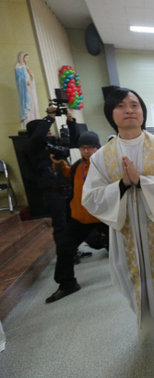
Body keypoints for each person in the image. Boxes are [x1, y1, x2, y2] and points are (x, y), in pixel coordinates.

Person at [82, 87, 154, 373]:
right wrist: (121, 185)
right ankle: (152, 331)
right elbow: (90, 198)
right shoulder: (101, 157)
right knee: (139, 285)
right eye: (120, 105)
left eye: (135, 104)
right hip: (127, 231)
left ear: (142, 112)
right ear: (111, 115)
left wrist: (142, 181)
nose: (129, 109)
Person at [46, 131, 109, 303]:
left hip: (104, 216)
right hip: (80, 217)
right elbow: (68, 176)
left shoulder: (107, 165)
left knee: (124, 247)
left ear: (98, 148)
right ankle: (67, 284)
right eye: (83, 148)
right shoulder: (77, 166)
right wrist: (59, 164)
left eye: (91, 147)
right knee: (65, 247)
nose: (87, 151)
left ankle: (136, 276)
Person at [24, 108, 80, 247]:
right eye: (45, 127)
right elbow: (37, 137)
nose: (49, 129)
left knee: (72, 222)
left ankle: (72, 251)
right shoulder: (32, 148)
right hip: (52, 192)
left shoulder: (53, 143)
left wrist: (70, 121)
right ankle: (64, 254)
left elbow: (73, 142)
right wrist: (49, 118)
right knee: (60, 225)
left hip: (67, 188)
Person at [15, 52, 40, 129]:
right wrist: (26, 81)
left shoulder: (26, 67)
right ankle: (27, 125)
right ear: (21, 58)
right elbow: (19, 78)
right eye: (26, 58)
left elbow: (30, 79)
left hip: (30, 89)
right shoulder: (18, 66)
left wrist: (32, 78)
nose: (27, 59)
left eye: (28, 58)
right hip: (25, 90)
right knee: (28, 106)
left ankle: (34, 122)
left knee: (33, 104)